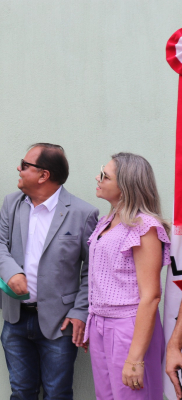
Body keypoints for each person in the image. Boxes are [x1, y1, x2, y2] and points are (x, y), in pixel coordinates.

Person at [0, 143, 98, 400]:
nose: (18, 168)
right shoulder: (12, 203)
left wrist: (80, 311)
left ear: (43, 175)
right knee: (21, 392)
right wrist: (12, 273)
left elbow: (92, 270)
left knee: (57, 394)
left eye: (25, 165)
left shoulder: (83, 213)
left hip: (60, 323)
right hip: (15, 318)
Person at [85, 153, 169, 399]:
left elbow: (151, 296)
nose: (98, 178)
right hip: (101, 323)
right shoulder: (107, 221)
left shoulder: (144, 226)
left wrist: (135, 358)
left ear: (125, 187)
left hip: (129, 328)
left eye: (105, 175)